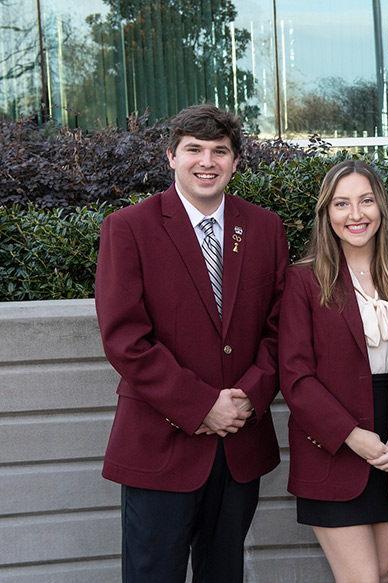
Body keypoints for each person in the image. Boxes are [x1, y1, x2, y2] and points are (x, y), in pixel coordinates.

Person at [95, 104, 288, 583]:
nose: (207, 161)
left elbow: (281, 328)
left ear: (236, 161)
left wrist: (246, 398)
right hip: (159, 445)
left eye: (220, 151)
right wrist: (202, 405)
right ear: (170, 157)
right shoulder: (129, 228)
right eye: (194, 150)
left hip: (239, 442)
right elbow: (125, 338)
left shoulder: (265, 228)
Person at [279, 160, 388, 583]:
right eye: (342, 204)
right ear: (326, 214)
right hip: (332, 447)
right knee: (363, 579)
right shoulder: (302, 282)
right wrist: (353, 437)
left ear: (382, 208)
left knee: (385, 573)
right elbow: (296, 377)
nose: (356, 215)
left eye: (366, 201)